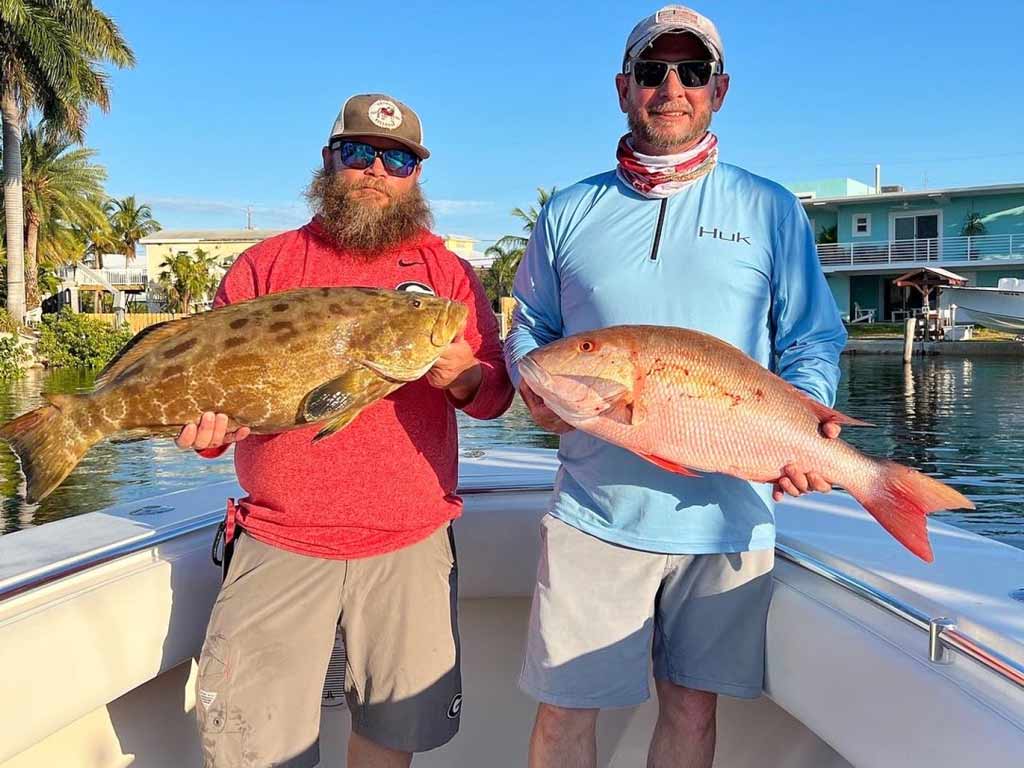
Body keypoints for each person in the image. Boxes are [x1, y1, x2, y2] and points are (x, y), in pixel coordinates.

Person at [503, 6, 848, 768]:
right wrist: (531, 381)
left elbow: (811, 339)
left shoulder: (770, 208)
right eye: (653, 71)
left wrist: (804, 427)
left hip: (730, 515)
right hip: (595, 512)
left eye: (692, 72)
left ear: (719, 90)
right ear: (623, 87)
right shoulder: (569, 210)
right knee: (564, 713)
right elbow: (530, 322)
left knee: (692, 711)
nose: (672, 87)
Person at [177, 93, 514, 768]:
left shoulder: (448, 275)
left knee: (391, 740)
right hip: (279, 538)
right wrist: (205, 431)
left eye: (396, 159)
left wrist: (464, 379)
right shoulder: (265, 267)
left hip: (409, 544)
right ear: (329, 162)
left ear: (415, 175)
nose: (374, 171)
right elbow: (208, 402)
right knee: (255, 748)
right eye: (358, 153)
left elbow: (494, 393)